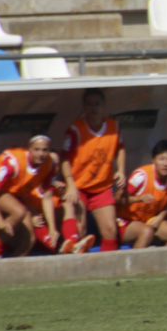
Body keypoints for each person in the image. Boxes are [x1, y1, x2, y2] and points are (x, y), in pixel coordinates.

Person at [0, 134, 93, 258]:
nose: (41, 154)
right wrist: (0, 222)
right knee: (19, 211)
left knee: (28, 241)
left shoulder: (49, 165)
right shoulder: (13, 162)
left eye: (45, 150)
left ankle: (14, 270)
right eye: (37, 149)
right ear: (29, 149)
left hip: (12, 194)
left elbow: (47, 197)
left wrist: (52, 229)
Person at [60, 88, 124, 253]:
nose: (93, 108)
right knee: (80, 230)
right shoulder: (75, 129)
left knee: (110, 230)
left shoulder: (114, 127)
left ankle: (108, 269)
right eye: (89, 104)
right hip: (79, 186)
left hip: (101, 187)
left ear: (103, 106)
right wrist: (71, 184)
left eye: (97, 104)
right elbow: (64, 158)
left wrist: (121, 170)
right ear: (84, 107)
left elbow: (121, 148)